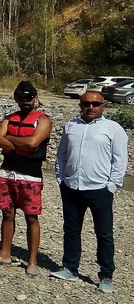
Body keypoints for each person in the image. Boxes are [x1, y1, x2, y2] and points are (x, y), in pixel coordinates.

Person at [51, 91, 128, 293]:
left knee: (103, 233)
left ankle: (106, 276)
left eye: (95, 103)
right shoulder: (71, 126)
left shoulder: (113, 129)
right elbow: (62, 154)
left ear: (103, 106)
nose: (90, 107)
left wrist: (112, 185)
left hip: (99, 189)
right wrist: (61, 178)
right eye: (86, 103)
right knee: (71, 230)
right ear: (80, 105)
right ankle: (70, 268)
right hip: (72, 187)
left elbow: (120, 160)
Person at [0, 81, 52, 277]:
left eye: (28, 98)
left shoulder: (43, 121)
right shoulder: (9, 118)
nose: (24, 102)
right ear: (16, 99)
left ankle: (32, 260)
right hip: (7, 172)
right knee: (7, 213)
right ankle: (5, 253)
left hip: (30, 175)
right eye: (21, 98)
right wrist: (20, 143)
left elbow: (33, 143)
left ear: (35, 99)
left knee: (31, 217)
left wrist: (10, 140)